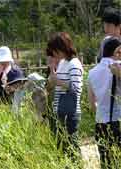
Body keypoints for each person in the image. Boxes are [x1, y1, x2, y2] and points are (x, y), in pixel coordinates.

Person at [47, 32, 83, 161]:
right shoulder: (62, 63)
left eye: (55, 51)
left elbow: (76, 88)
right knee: (62, 149)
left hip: (70, 112)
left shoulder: (74, 63)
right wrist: (52, 75)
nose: (54, 54)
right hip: (59, 111)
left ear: (63, 47)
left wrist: (58, 81)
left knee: (72, 148)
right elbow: (55, 86)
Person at [88, 39, 121, 169]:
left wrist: (102, 114)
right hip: (118, 120)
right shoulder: (117, 65)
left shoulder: (92, 72)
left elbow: (92, 101)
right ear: (116, 51)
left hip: (100, 122)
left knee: (106, 161)